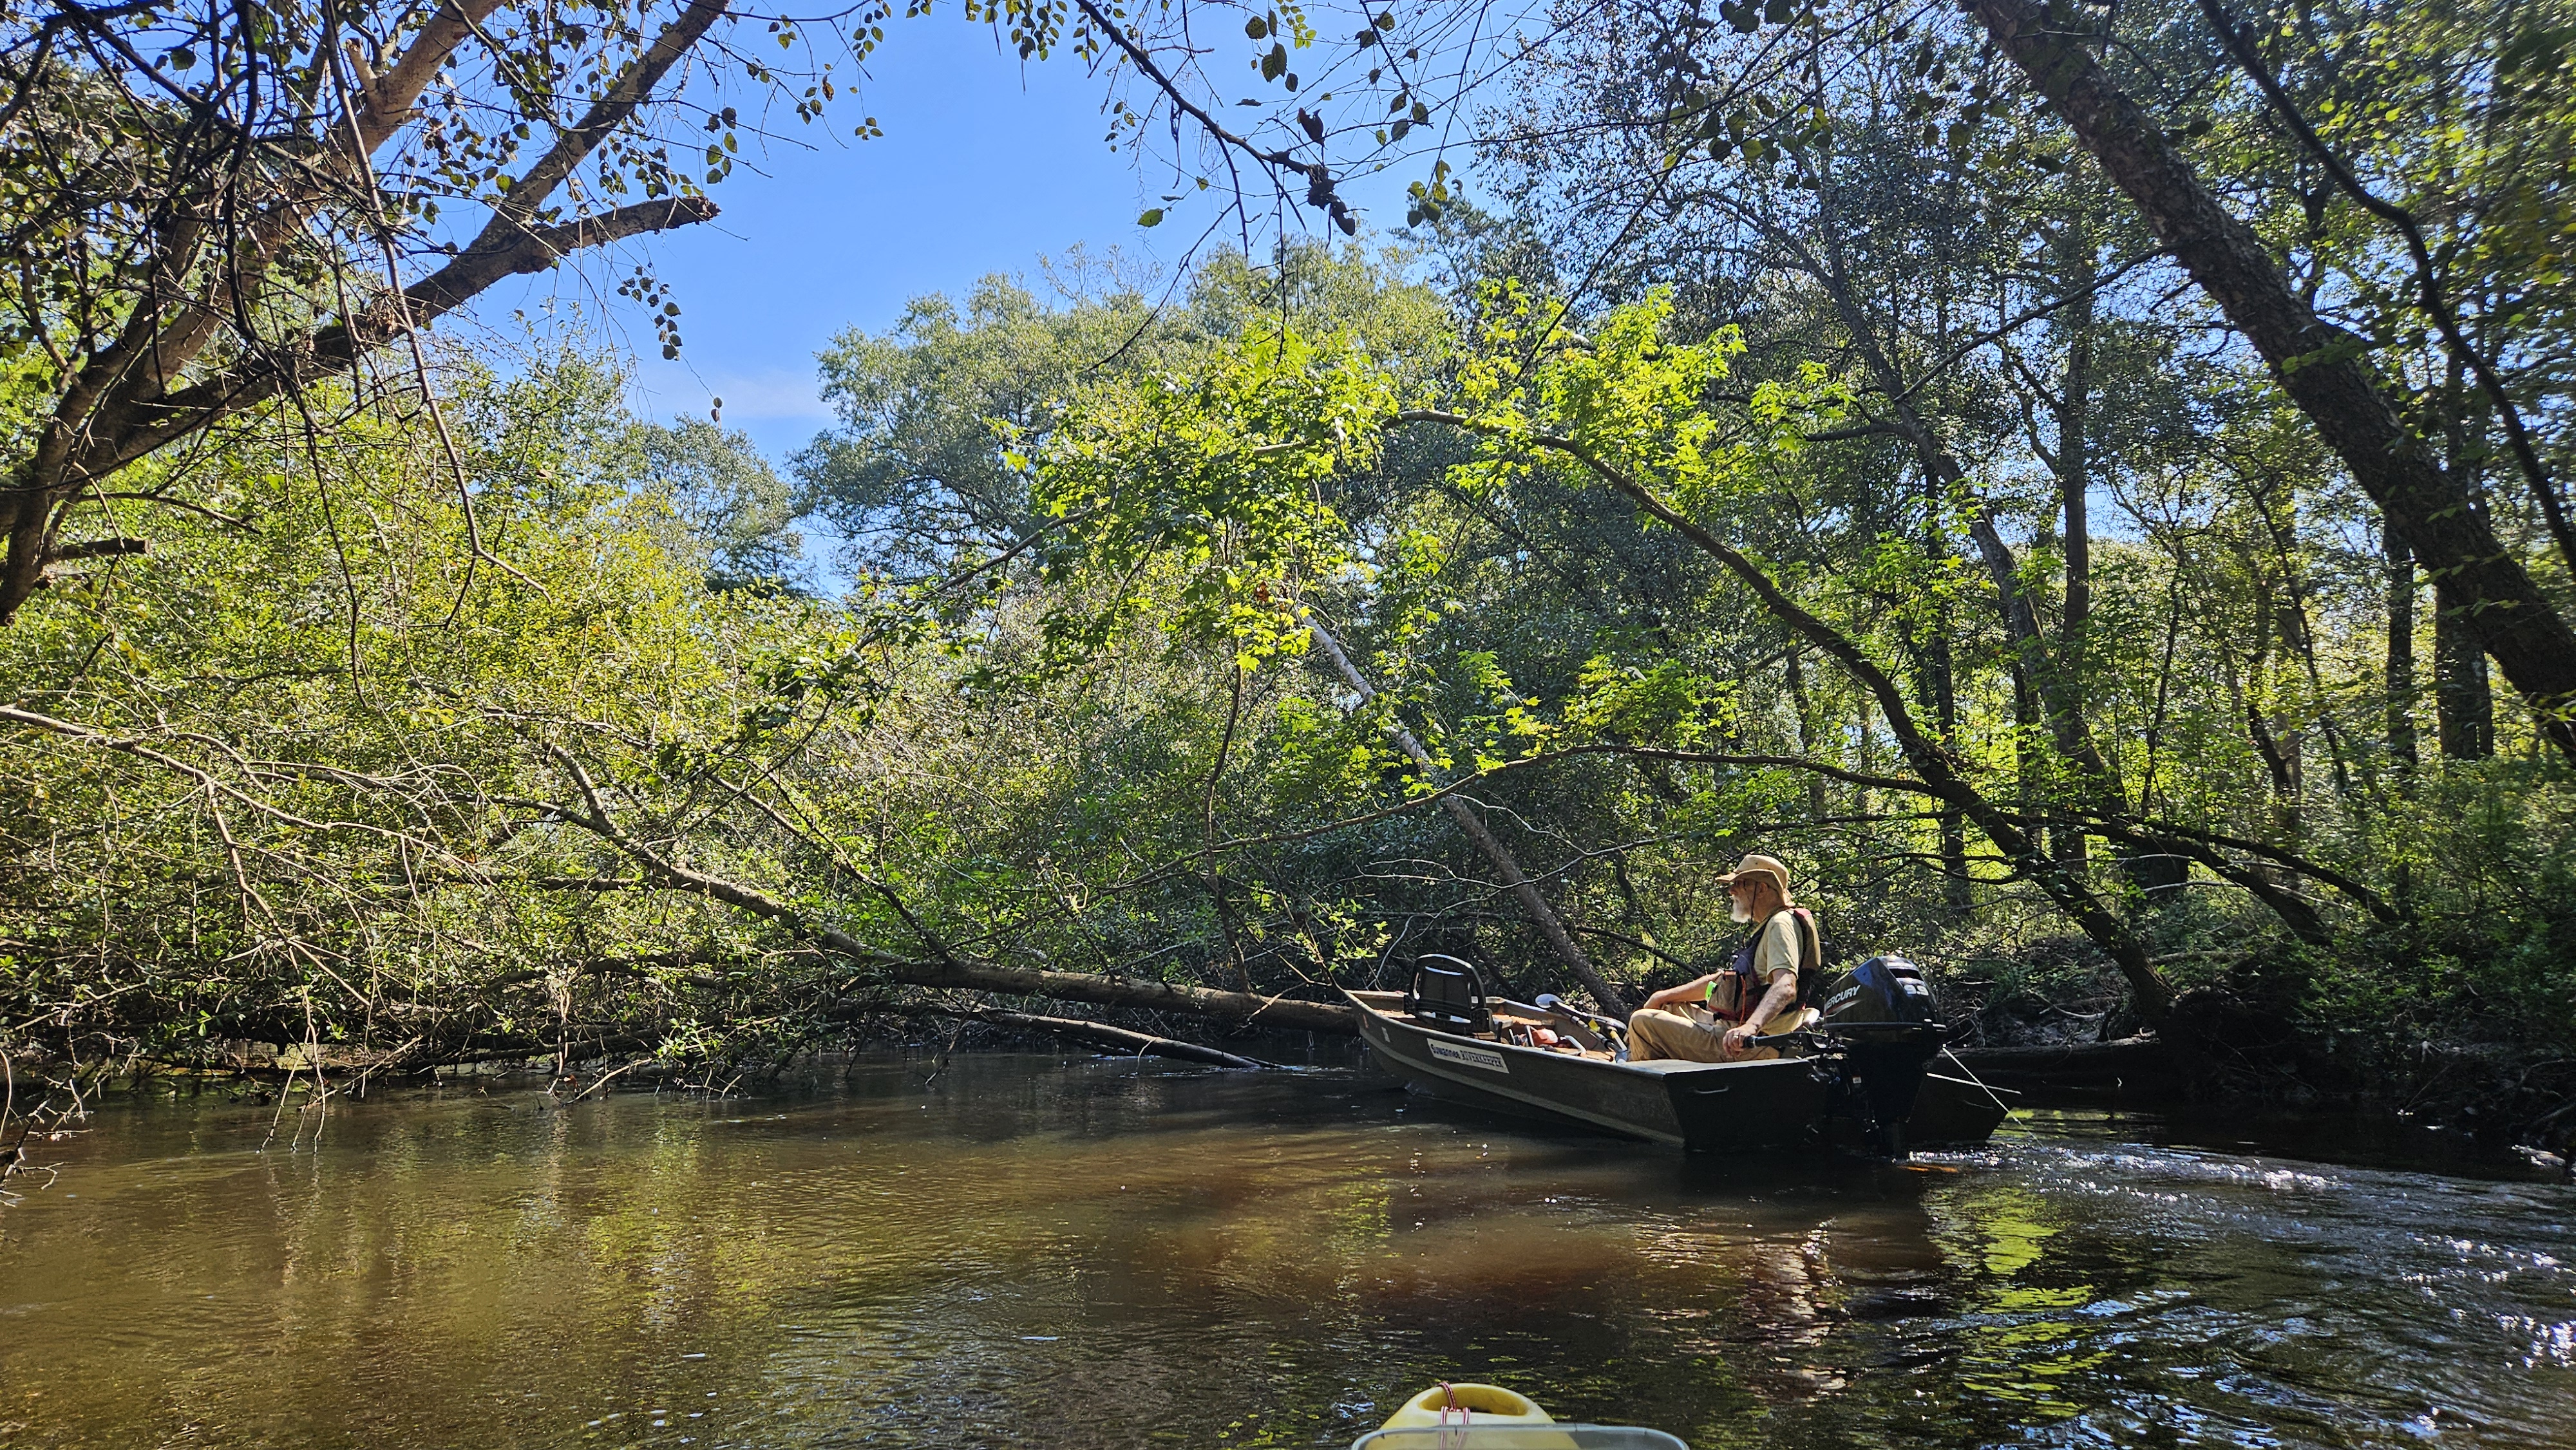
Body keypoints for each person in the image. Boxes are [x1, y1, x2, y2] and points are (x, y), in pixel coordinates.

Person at [1626, 853, 1820, 1063]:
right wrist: (1662, 996)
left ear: (1762, 889)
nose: (1731, 890)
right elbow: (1719, 983)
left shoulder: (1780, 924)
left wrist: (1750, 1027)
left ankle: (1644, 1088)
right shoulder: (1769, 926)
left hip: (1757, 1042)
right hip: (1736, 1029)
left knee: (1642, 1022)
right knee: (1667, 1007)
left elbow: (1786, 985)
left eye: (1739, 884)